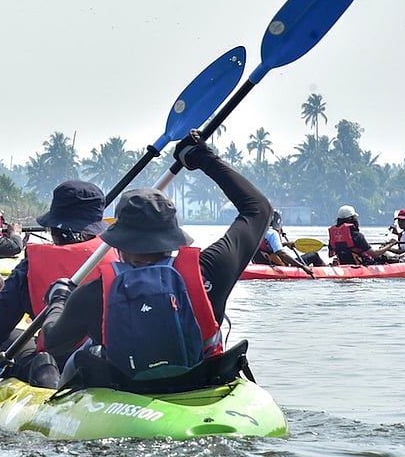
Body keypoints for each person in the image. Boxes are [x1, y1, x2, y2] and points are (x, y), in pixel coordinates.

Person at [40, 131, 270, 393]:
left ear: (118, 242)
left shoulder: (95, 293)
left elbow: (52, 342)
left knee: (79, 355)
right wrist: (202, 157)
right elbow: (259, 209)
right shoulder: (212, 268)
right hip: (201, 385)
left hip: (127, 392)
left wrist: (59, 298)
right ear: (173, 236)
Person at [0, 180, 115, 388]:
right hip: (108, 359)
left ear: (54, 228)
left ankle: (44, 372)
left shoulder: (30, 267)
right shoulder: (120, 257)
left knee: (11, 339)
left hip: (57, 358)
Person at [251, 209, 313, 275]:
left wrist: (284, 244)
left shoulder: (254, 233)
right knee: (314, 255)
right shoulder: (272, 233)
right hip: (279, 265)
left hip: (261, 263)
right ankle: (323, 269)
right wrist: (303, 267)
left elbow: (267, 247)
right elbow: (282, 254)